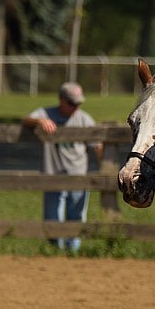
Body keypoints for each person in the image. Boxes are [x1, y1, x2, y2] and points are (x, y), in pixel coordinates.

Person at [22, 82, 103, 253]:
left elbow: (97, 145)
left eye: (78, 104)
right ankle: (54, 250)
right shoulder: (46, 113)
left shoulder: (84, 119)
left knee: (76, 215)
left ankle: (73, 250)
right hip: (52, 175)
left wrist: (104, 170)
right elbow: (25, 120)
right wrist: (40, 121)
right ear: (61, 100)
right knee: (52, 216)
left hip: (78, 175)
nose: (75, 107)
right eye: (71, 103)